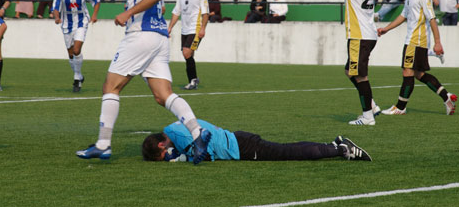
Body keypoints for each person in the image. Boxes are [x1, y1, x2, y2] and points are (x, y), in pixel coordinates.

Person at [76, 0, 213, 165]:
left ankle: (103, 144)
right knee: (163, 95)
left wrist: (128, 12)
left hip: (142, 36)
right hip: (157, 39)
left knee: (110, 86)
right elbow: (158, 0)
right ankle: (197, 133)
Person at [305, 0, 382, 126]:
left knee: (360, 75)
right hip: (369, 34)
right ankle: (371, 105)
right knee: (350, 71)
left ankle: (367, 117)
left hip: (359, 35)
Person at [378, 0, 457, 116]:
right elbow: (403, 16)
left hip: (415, 41)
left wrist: (438, 42)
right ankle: (446, 96)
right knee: (418, 74)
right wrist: (386, 29)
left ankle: (400, 107)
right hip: (414, 41)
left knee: (407, 72)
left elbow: (432, 18)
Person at [142, 119, 371, 162]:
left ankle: (341, 149)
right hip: (238, 140)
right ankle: (333, 145)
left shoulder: (177, 136)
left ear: (162, 145)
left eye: (163, 155)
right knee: (287, 150)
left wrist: (181, 158)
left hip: (241, 148)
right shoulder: (177, 125)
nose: (167, 156)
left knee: (290, 153)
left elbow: (205, 154)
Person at [52, 0, 100, 93]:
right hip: (66, 24)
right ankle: (79, 75)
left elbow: (96, 1)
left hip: (81, 22)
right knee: (71, 54)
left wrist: (94, 15)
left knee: (77, 50)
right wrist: (56, 17)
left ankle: (77, 78)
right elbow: (55, 7)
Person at [168, 0, 209, 90]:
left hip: (195, 30)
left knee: (186, 52)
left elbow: (205, 14)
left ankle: (193, 80)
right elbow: (176, 13)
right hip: (184, 30)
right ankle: (193, 80)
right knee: (188, 55)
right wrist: (170, 27)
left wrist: (203, 29)